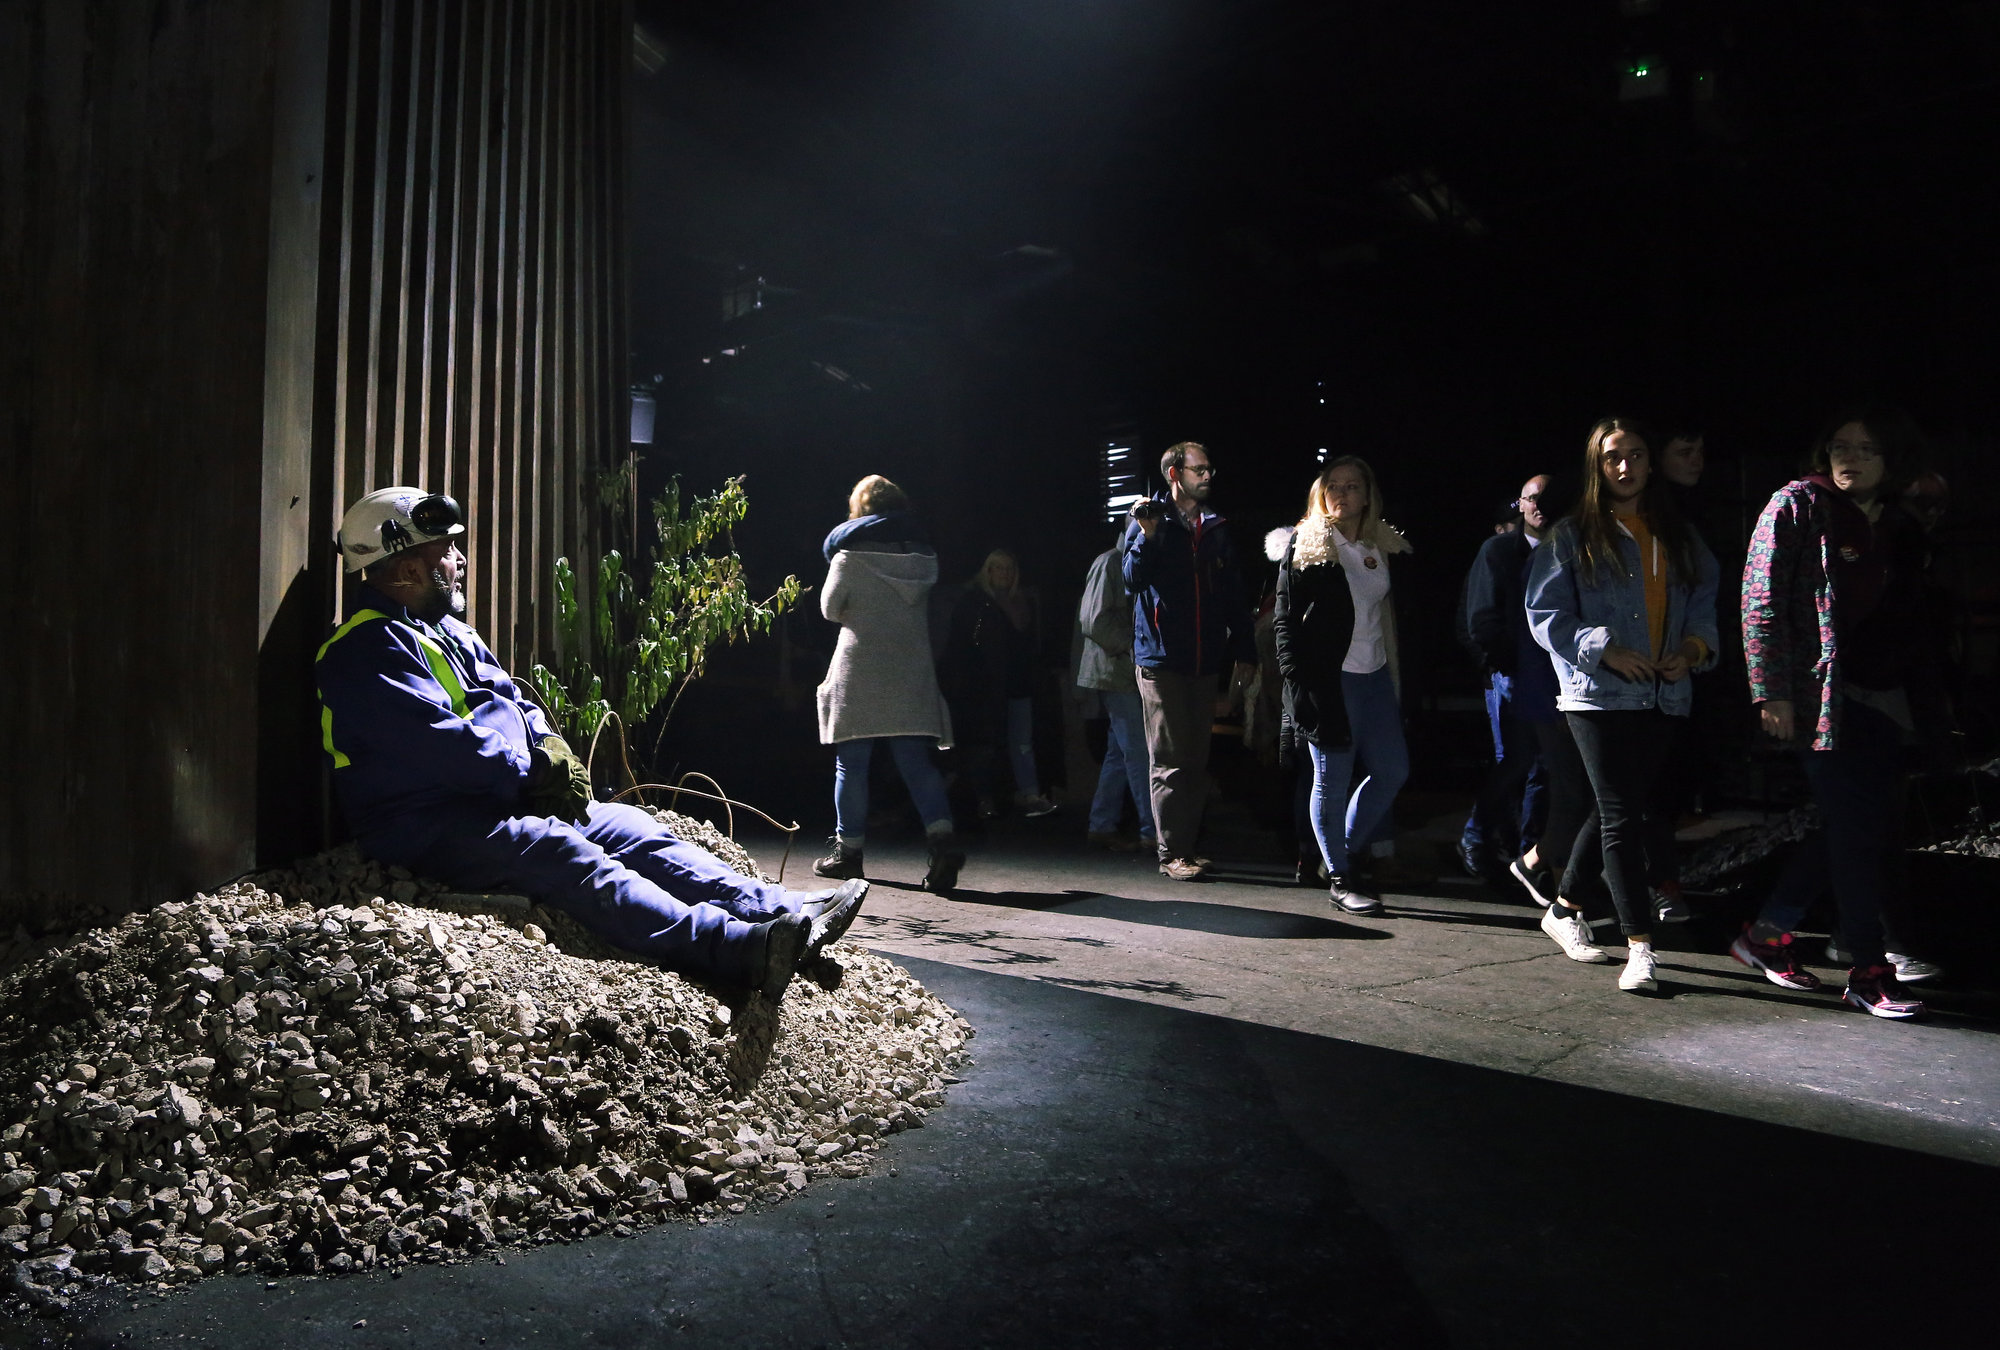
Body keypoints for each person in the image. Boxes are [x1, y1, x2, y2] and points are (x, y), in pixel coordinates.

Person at [317, 487, 865, 1004]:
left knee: (635, 829)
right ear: (409, 567)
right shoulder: (364, 647)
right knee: (561, 851)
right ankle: (738, 948)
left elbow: (515, 700)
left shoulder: (449, 631)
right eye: (446, 550)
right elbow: (439, 745)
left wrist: (550, 744)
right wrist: (533, 771)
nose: (459, 560)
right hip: (428, 821)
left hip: (499, 797)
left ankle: (784, 912)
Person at [1732, 408, 1943, 1018]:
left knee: (1856, 826)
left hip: (1886, 698)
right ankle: (1869, 968)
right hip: (1823, 698)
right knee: (1854, 829)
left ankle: (1767, 934)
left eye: (1867, 449)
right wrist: (1769, 691)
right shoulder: (1799, 505)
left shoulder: (1897, 522)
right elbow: (1761, 599)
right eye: (1840, 447)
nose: (1850, 458)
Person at [1525, 419, 1719, 992]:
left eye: (1636, 455)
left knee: (1623, 807)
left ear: (1650, 463)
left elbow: (1703, 600)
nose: (1625, 466)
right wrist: (1606, 650)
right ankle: (1641, 947)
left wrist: (1693, 648)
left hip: (1662, 690)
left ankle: (1562, 909)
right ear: (1597, 467)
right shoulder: (1572, 534)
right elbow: (1546, 616)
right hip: (1596, 694)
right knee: (1619, 815)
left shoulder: (1677, 532)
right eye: (1614, 458)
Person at [1274, 457, 1415, 913]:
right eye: (1332, 485)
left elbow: (1385, 616)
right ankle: (1340, 877)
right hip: (1330, 679)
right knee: (1330, 779)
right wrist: (1298, 682)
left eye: (1352, 486)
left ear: (1367, 495)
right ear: (1320, 493)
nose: (1342, 493)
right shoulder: (1309, 543)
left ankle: (1342, 853)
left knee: (1393, 770)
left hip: (1373, 675)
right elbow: (1285, 621)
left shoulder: (1380, 543)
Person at [813, 475, 966, 893]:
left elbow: (829, 609)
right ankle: (943, 842)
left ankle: (849, 855)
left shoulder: (848, 557)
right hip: (910, 669)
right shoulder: (924, 558)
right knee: (917, 764)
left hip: (860, 667)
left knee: (852, 764)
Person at [1122, 441, 1258, 880]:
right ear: (1174, 474)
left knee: (1196, 759)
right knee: (1169, 757)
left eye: (1209, 468)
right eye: (1199, 469)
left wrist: (1244, 649)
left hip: (1203, 659)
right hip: (1160, 658)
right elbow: (1131, 579)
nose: (1208, 476)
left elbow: (1233, 595)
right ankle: (1171, 853)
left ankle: (1185, 847)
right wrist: (1146, 535)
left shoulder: (1214, 527)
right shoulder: (1150, 519)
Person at [1458, 474, 1555, 885]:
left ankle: (1528, 853)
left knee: (1541, 767)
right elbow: (1481, 616)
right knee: (1517, 762)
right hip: (1513, 673)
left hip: (1551, 674)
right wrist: (1500, 664)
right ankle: (1479, 837)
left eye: (1544, 499)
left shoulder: (1562, 550)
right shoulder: (1499, 550)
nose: (1537, 506)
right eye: (1530, 499)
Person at [945, 550, 1058, 819]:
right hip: (986, 687)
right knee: (986, 744)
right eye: (998, 568)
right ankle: (986, 798)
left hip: (1018, 684)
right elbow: (964, 647)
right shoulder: (976, 603)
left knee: (1022, 743)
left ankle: (1029, 795)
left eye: (1009, 568)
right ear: (987, 571)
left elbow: (1030, 644)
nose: (1004, 574)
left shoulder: (1022, 602)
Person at [1077, 532, 1156, 851]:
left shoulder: (1124, 561)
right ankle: (1152, 830)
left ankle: (1102, 824)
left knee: (1120, 752)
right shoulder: (1110, 562)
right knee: (1137, 750)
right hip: (1115, 671)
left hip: (1119, 670)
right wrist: (1132, 646)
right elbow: (1092, 620)